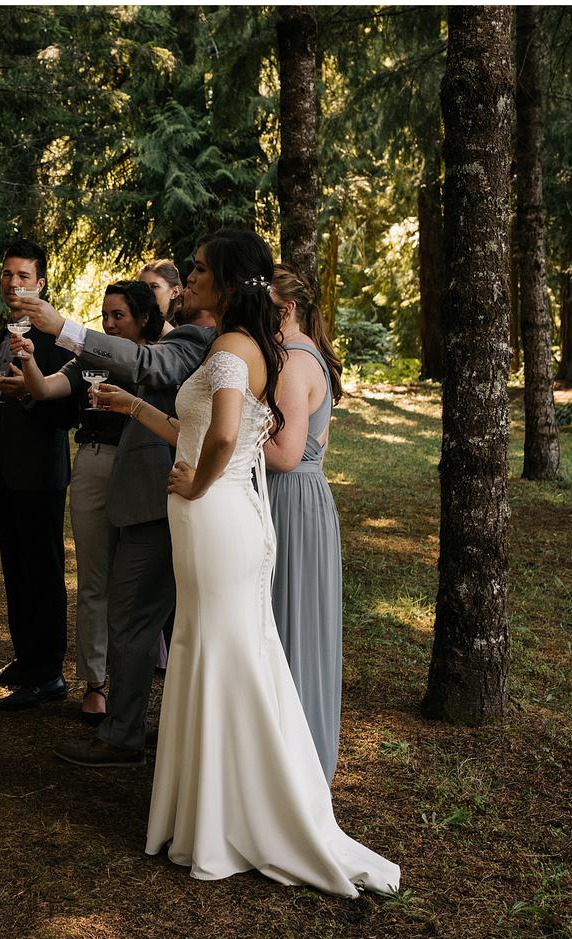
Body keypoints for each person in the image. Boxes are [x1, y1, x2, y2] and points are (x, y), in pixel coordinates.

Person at [129, 228, 397, 896]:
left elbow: (221, 436)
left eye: (195, 271)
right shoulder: (256, 347)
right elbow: (209, 431)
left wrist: (196, 483)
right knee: (217, 649)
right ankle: (208, 811)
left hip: (218, 517)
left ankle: (225, 820)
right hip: (229, 519)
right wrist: (135, 407)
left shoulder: (231, 347)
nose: (187, 280)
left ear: (224, 281)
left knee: (221, 653)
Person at [14, 281, 213, 760]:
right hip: (130, 487)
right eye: (103, 315)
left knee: (136, 619)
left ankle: (127, 733)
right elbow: (48, 388)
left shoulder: (190, 342)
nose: (108, 323)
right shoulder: (197, 342)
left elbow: (152, 375)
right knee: (115, 601)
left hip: (161, 494)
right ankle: (128, 717)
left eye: (118, 315)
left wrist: (62, 326)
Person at [0, 240, 79, 711]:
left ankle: (49, 673)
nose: (13, 284)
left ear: (42, 282)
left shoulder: (58, 337)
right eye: (7, 275)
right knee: (15, 570)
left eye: (24, 276)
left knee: (43, 572)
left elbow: (68, 412)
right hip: (7, 471)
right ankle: (26, 659)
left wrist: (29, 394)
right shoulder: (2, 333)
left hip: (41, 473)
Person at [264, 262, 346, 785]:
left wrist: (227, 437)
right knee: (286, 616)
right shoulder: (301, 355)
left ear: (287, 309)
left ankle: (295, 767)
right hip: (302, 498)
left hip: (290, 499)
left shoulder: (294, 362)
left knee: (288, 618)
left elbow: (287, 453)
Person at [139, 259, 184, 325]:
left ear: (175, 292)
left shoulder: (185, 332)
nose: (145, 292)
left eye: (154, 286)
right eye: (142, 287)